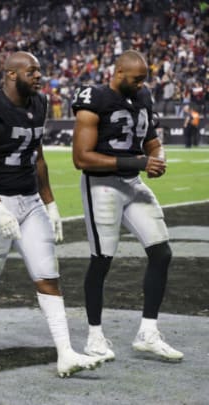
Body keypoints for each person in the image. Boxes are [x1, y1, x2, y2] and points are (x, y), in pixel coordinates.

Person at [0, 51, 102, 378]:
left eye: (40, 70)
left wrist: (50, 202)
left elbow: (37, 156)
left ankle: (66, 353)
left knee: (48, 275)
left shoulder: (38, 104)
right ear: (11, 74)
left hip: (30, 200)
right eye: (32, 71)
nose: (40, 76)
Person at [72, 49, 183, 362]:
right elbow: (81, 157)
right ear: (118, 73)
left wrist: (158, 157)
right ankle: (94, 337)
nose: (141, 84)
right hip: (101, 184)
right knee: (102, 259)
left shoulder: (143, 95)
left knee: (161, 251)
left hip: (132, 182)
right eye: (136, 79)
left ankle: (148, 333)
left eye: (143, 79)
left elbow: (150, 139)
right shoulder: (94, 97)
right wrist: (140, 161)